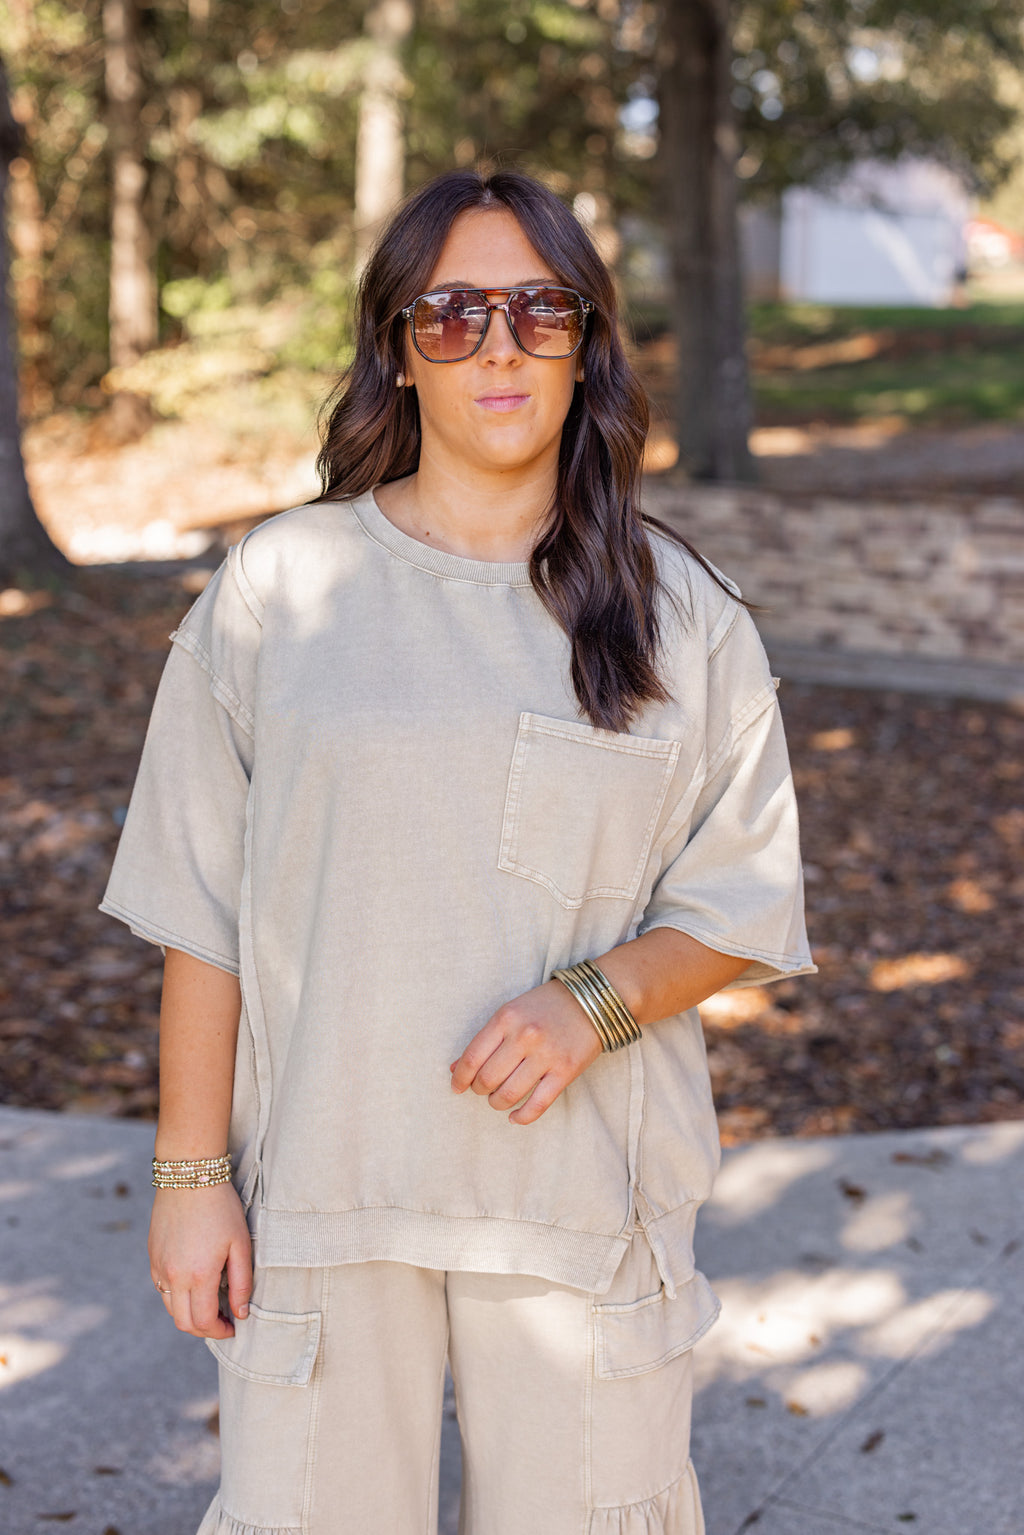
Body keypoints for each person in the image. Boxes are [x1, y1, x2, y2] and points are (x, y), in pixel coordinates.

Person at [100, 167, 814, 1535]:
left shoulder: (685, 618)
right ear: (398, 351)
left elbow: (741, 900)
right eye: (452, 314)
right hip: (324, 1199)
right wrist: (191, 1180)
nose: (498, 346)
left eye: (540, 312)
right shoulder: (280, 588)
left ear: (586, 347)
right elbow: (201, 909)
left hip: (582, 1211)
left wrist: (596, 1000)